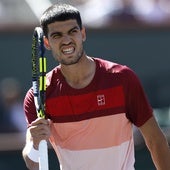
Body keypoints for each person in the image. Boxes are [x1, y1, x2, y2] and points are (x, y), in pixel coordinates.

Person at [22, 3, 170, 170]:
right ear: (47, 43)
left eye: (73, 31)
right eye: (57, 35)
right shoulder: (39, 95)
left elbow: (156, 141)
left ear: (83, 33)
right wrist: (35, 143)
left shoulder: (122, 79)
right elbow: (31, 162)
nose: (66, 40)